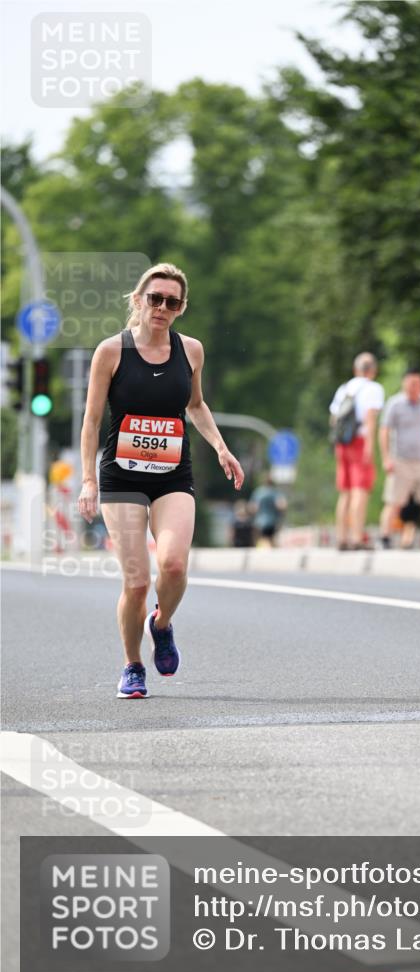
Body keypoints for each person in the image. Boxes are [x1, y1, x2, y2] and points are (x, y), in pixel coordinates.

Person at [77, 262, 244, 699]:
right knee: (136, 581)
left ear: (181, 308)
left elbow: (197, 405)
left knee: (172, 565)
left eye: (172, 302)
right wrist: (87, 481)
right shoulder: (111, 352)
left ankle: (162, 624)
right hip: (121, 477)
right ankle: (133, 666)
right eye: (155, 299)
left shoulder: (191, 351)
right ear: (138, 300)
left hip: (173, 473)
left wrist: (221, 448)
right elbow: (92, 420)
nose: (162, 307)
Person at [379, 368, 420, 551]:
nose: (415, 387)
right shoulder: (395, 404)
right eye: (411, 383)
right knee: (394, 501)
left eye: (418, 383)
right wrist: (386, 457)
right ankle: (385, 536)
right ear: (404, 383)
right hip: (401, 459)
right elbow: (384, 431)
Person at [329, 352, 384, 550]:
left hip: (342, 443)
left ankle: (341, 537)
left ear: (355, 369)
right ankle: (356, 537)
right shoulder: (373, 388)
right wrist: (370, 448)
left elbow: (333, 420)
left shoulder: (344, 388)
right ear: (373, 370)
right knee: (360, 490)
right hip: (360, 442)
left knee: (345, 492)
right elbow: (371, 418)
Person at [249, 474, 287, 547]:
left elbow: (253, 507)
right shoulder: (275, 492)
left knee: (258, 541)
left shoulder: (258, 492)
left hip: (259, 522)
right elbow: (282, 505)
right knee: (272, 541)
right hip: (272, 521)